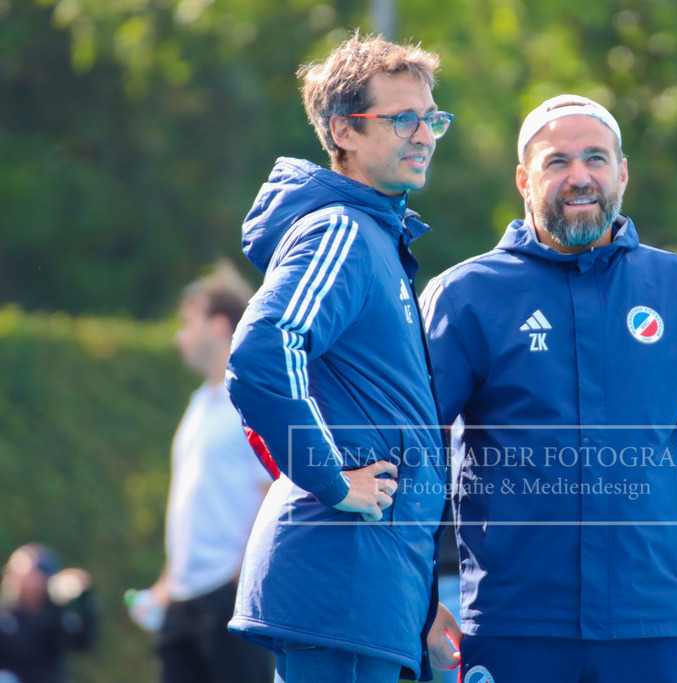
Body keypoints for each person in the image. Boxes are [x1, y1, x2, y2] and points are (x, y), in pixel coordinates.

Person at [420, 94, 677, 683]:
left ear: (622, 173)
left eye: (596, 159)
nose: (580, 177)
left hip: (649, 626)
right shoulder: (464, 296)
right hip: (510, 625)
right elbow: (412, 455)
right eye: (557, 162)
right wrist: (420, 602)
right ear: (524, 180)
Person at [224, 32, 456, 683]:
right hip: (342, 589)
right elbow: (264, 352)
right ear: (343, 131)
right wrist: (329, 477)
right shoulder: (342, 229)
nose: (425, 133)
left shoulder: (374, 233)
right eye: (402, 117)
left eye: (432, 117)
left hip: (370, 597)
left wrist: (420, 608)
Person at [139, 261, 274, 683]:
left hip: (229, 596)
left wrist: (242, 573)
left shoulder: (250, 399)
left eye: (187, 322)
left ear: (218, 325)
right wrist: (166, 581)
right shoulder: (199, 403)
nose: (180, 336)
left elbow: (271, 488)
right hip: (182, 599)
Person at [0, 543, 97, 683]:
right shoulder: (4, 614)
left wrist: (81, 600)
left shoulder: (55, 618)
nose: (13, 579)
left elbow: (83, 643)